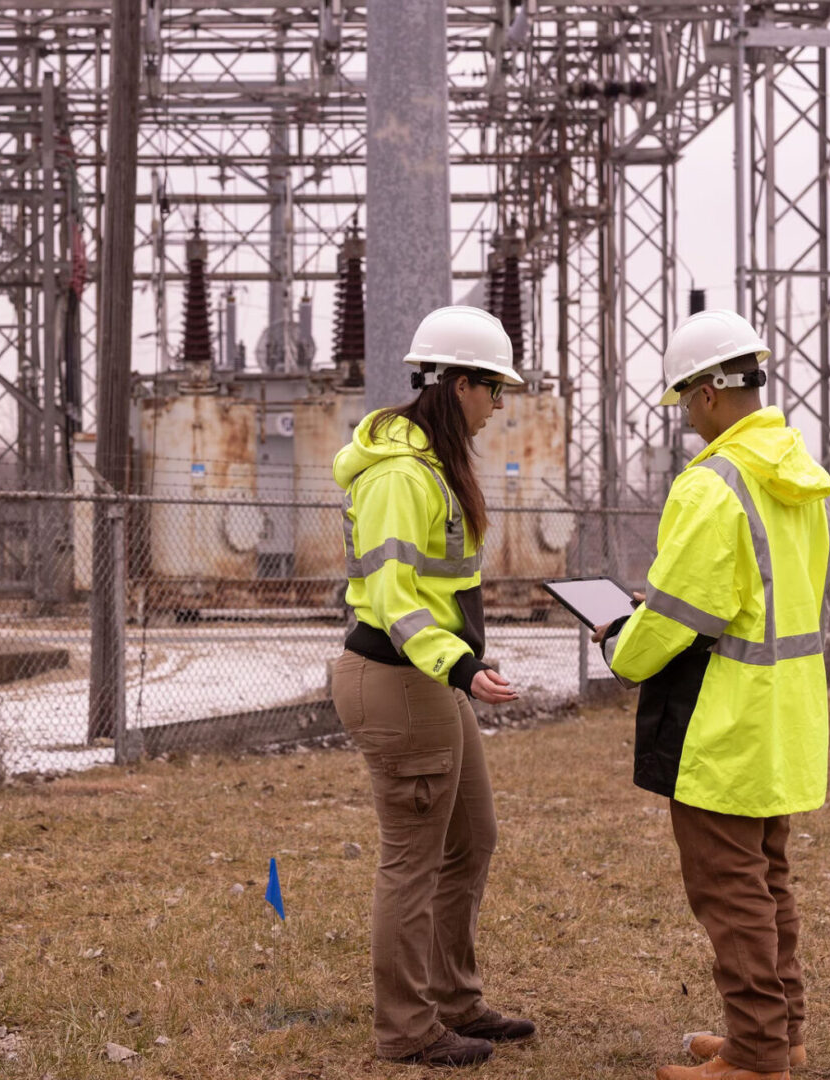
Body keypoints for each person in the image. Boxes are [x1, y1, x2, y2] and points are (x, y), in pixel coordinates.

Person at [593, 310, 830, 1080]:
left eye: (685, 404)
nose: (688, 424)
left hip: (722, 727)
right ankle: (778, 1036)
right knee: (767, 885)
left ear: (704, 395)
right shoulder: (796, 475)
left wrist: (617, 644)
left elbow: (675, 614)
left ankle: (758, 1059)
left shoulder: (716, 483)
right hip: (782, 720)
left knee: (731, 895)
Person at [329, 305, 535, 1068]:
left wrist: (458, 666)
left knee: (471, 839)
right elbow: (393, 596)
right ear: (455, 385)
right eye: (493, 388)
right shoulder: (398, 476)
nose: (499, 404)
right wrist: (459, 665)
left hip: (433, 679)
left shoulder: (437, 470)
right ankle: (406, 1028)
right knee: (411, 859)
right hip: (399, 677)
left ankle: (456, 1000)